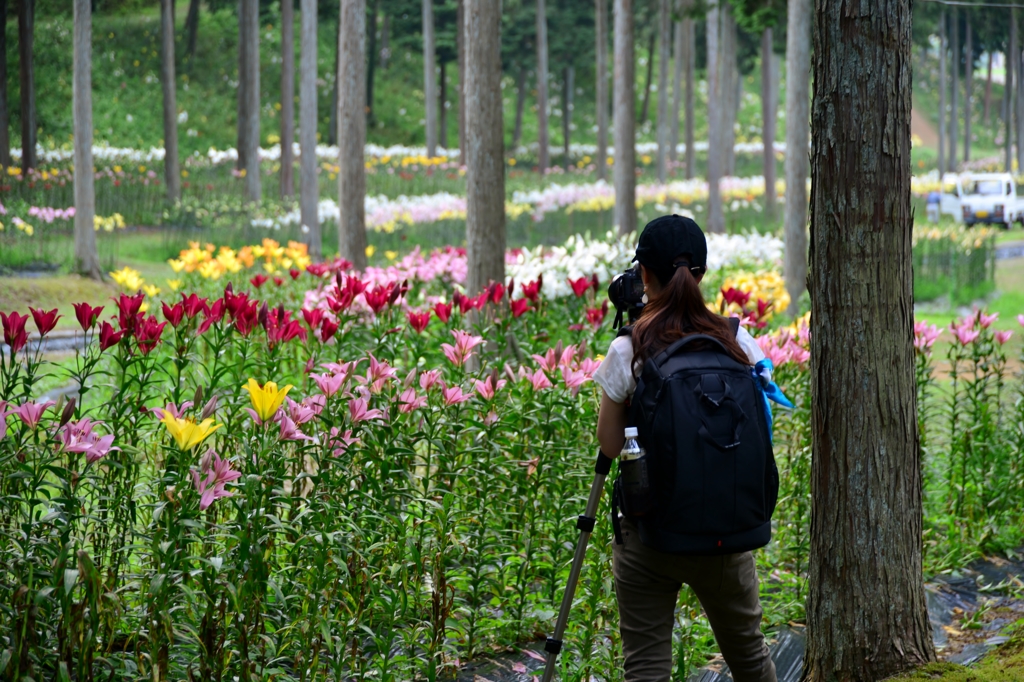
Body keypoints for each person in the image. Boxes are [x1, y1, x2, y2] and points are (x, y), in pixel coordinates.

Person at [592, 215, 777, 682]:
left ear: (644, 275)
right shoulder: (738, 340)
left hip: (650, 535)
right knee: (750, 659)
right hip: (727, 535)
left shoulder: (629, 347)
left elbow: (611, 445)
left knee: (647, 667)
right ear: (701, 274)